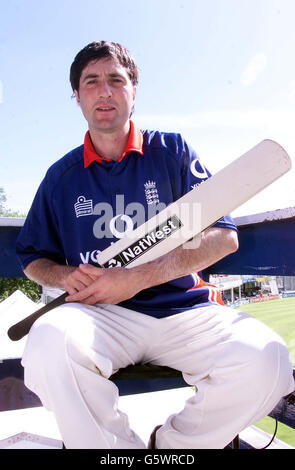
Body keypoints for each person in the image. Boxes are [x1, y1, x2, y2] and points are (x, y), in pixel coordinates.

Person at [16, 41, 294, 449]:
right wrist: (65, 275)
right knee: (47, 346)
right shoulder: (61, 176)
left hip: (184, 309)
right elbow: (31, 256)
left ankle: (171, 448)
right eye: (91, 82)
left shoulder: (173, 151)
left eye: (116, 79)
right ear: (77, 96)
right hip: (101, 317)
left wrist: (138, 277)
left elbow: (224, 236)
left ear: (134, 90)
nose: (105, 91)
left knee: (267, 360)